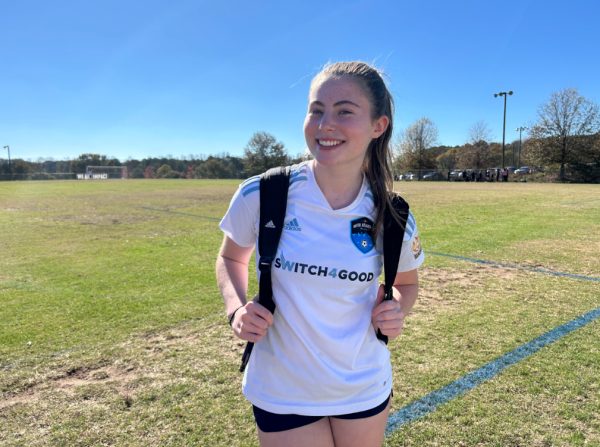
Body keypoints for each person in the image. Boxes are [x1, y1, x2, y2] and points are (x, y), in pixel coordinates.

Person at [216, 61, 424, 447]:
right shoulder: (263, 194)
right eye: (316, 110)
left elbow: (407, 284)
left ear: (378, 126)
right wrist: (236, 309)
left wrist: (397, 307)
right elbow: (230, 258)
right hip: (282, 388)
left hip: (362, 386)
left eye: (344, 111)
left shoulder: (392, 213)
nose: (325, 123)